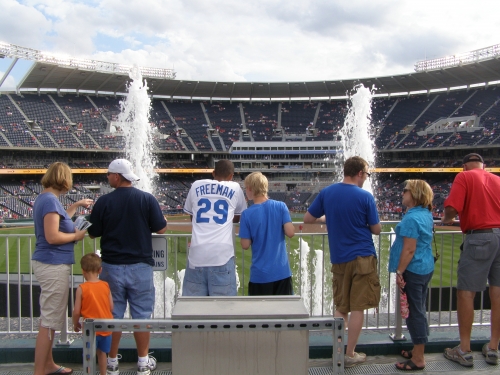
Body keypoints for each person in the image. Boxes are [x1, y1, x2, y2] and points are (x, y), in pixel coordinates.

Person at [88, 159, 167, 375]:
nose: (107, 177)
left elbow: (93, 232)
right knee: (141, 316)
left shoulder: (104, 201)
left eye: (109, 174)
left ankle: (111, 361)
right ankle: (143, 361)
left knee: (113, 316)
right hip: (140, 266)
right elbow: (161, 229)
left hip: (111, 266)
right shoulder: (146, 199)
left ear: (117, 176)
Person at [303, 156, 381, 368]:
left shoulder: (328, 192)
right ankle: (350, 353)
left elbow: (308, 219)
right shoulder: (365, 196)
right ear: (359, 173)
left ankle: (338, 352)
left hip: (339, 258)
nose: (366, 178)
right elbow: (376, 229)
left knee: (341, 307)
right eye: (366, 174)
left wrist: (325, 218)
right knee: (358, 308)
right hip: (363, 257)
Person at [32, 162, 92, 375]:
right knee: (49, 321)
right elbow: (52, 236)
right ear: (63, 179)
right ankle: (40, 370)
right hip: (52, 263)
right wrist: (76, 236)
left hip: (50, 262)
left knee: (50, 318)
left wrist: (75, 206)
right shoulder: (49, 201)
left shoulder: (46, 199)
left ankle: (48, 364)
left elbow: (59, 220)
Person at [442, 153, 500, 367]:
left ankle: (464, 349)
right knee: (498, 291)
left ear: (465, 166)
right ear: (484, 165)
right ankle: (493, 347)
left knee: (466, 292)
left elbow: (451, 208)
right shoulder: (497, 179)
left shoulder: (464, 177)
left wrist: (445, 219)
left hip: (479, 237)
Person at [388, 180, 435, 371]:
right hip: (424, 267)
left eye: (405, 191)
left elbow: (409, 250)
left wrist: (399, 272)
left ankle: (418, 358)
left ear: (414, 194)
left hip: (413, 270)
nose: (402, 194)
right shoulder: (425, 214)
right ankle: (417, 349)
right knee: (418, 310)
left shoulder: (411, 219)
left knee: (415, 313)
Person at [182, 159, 246, 296]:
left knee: (193, 311)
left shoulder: (196, 185)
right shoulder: (235, 187)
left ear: (213, 172)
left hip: (196, 255)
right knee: (224, 311)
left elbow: (193, 216)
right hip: (221, 255)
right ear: (231, 176)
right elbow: (238, 216)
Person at [239, 172, 295, 295]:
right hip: (282, 272)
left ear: (250, 189)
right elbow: (290, 232)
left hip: (260, 276)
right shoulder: (281, 206)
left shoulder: (247, 214)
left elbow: (245, 244)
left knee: (260, 313)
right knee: (284, 313)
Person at [72, 253, 113, 375]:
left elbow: (76, 311)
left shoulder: (81, 288)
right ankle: (103, 373)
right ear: (100, 270)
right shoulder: (105, 285)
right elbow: (111, 306)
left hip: (90, 329)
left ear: (83, 271)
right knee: (102, 353)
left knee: (88, 355)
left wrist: (75, 324)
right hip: (105, 327)